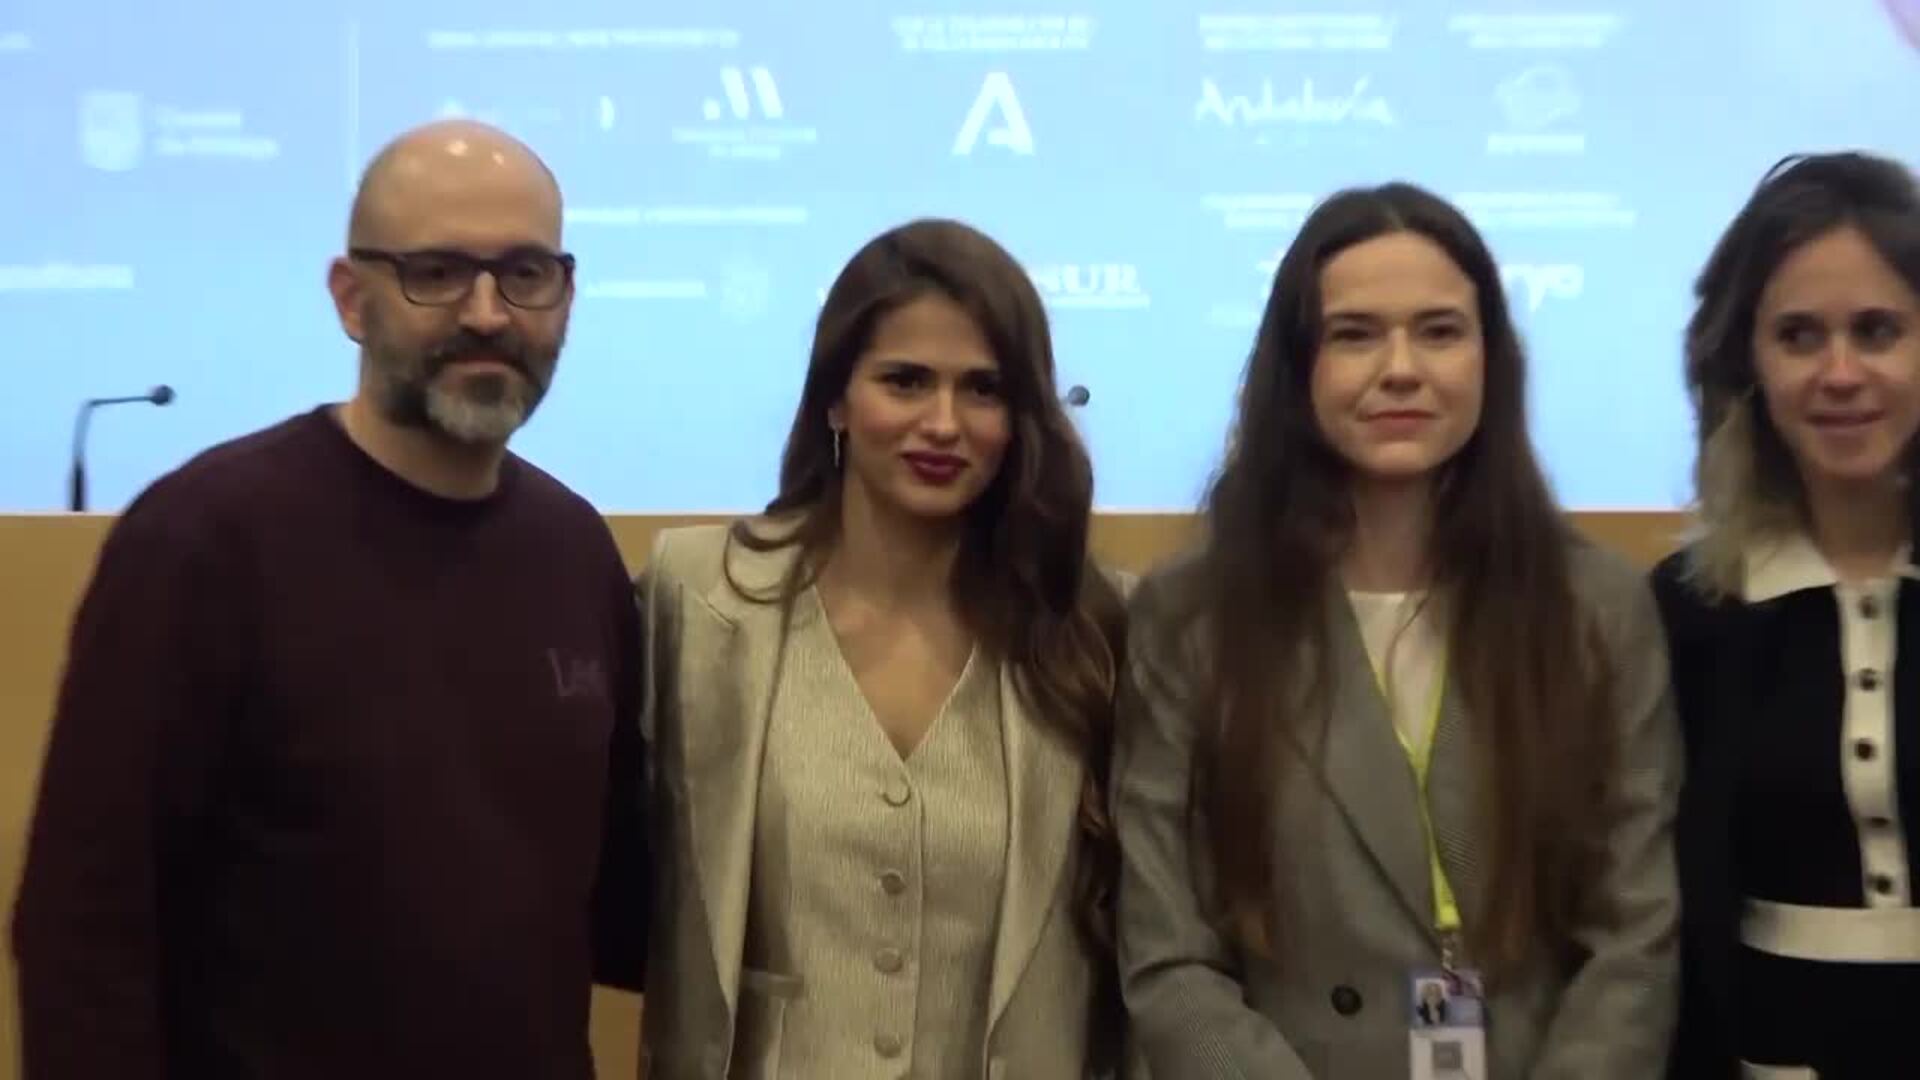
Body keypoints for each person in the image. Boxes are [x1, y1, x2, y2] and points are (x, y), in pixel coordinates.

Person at [10, 119, 648, 1080]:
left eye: (524, 273)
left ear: (565, 293)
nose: (487, 314)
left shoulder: (574, 550)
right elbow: (86, 925)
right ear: (351, 298)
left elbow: (619, 905)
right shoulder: (203, 542)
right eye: (437, 272)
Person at [1113, 182, 1682, 1077]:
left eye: (1440, 331)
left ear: (1491, 358)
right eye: (1355, 334)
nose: (1402, 368)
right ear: (1297, 368)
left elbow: (1636, 935)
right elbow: (1166, 953)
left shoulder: (1596, 608)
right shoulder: (1192, 617)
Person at [636, 218, 1128, 1077]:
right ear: (837, 399)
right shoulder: (696, 595)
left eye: (983, 390)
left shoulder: (1094, 624)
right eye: (905, 381)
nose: (943, 423)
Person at [1653, 150, 1920, 1079]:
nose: (1840, 373)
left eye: (1878, 331)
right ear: (1747, 365)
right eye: (1800, 336)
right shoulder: (1687, 612)